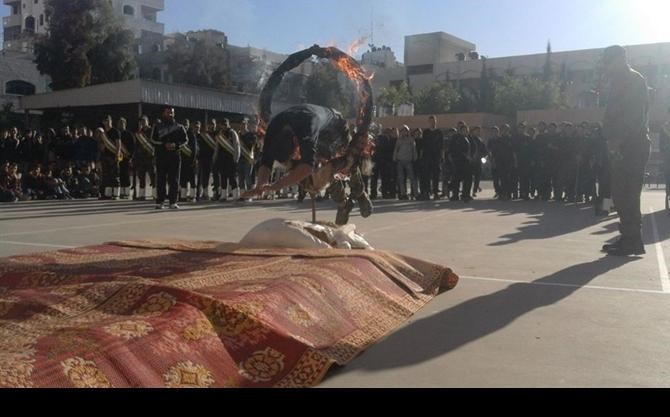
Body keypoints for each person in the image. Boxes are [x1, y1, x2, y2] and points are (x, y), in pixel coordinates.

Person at [601, 45, 651, 256]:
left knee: (629, 195)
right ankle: (628, 237)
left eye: (609, 61)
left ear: (621, 59)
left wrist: (617, 140)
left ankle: (633, 241)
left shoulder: (634, 80)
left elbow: (634, 117)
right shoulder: (617, 81)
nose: (607, 66)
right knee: (620, 194)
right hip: (620, 146)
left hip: (632, 145)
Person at [151, 107, 188, 210]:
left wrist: (176, 145)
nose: (170, 114)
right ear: (163, 113)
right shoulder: (157, 126)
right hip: (161, 156)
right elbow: (152, 140)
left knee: (174, 180)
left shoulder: (179, 127)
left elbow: (185, 140)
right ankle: (160, 202)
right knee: (160, 180)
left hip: (175, 156)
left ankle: (173, 202)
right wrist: (164, 144)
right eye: (168, 112)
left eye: (171, 112)